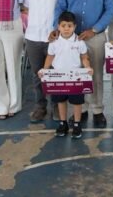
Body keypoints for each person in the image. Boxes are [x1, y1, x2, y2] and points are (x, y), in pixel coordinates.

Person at [53, 0, 113, 127]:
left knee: (95, 74)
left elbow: (110, 9)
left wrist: (94, 29)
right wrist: (57, 28)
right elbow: (60, 6)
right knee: (75, 74)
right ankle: (81, 110)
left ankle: (97, 109)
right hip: (71, 38)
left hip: (95, 36)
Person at [24, 0, 65, 123]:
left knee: (55, 72)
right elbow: (27, 7)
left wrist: (58, 29)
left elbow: (65, 6)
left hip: (53, 37)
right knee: (37, 74)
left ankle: (56, 105)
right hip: (33, 36)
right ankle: (40, 106)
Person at [41, 11, 93, 139]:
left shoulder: (79, 42)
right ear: (58, 26)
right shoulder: (54, 42)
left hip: (76, 77)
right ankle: (63, 123)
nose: (66, 29)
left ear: (75, 27)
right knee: (61, 100)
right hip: (59, 77)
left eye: (69, 26)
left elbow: (84, 57)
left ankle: (77, 124)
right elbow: (50, 57)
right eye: (63, 26)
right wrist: (44, 70)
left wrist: (88, 68)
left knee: (77, 102)